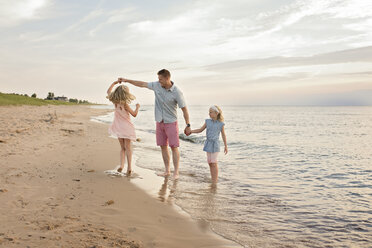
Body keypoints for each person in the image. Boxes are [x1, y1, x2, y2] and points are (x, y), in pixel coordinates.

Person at [118, 69, 191, 180]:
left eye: (160, 79)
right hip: (159, 121)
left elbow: (184, 109)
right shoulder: (156, 85)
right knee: (163, 146)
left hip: (171, 122)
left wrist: (188, 124)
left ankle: (176, 172)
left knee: (174, 147)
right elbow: (142, 84)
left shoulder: (177, 92)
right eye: (158, 79)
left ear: (167, 78)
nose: (158, 81)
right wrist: (126, 80)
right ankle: (167, 171)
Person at [107, 81, 140, 175]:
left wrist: (114, 83)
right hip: (127, 127)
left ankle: (121, 165)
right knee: (128, 148)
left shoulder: (115, 102)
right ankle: (129, 167)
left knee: (122, 148)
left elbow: (108, 91)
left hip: (118, 127)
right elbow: (134, 114)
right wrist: (137, 107)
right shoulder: (125, 104)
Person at [190, 105, 227, 184]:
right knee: (210, 162)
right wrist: (191, 131)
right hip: (208, 143)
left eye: (211, 112)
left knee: (214, 162)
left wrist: (226, 146)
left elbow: (223, 135)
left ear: (216, 113)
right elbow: (200, 130)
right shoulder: (207, 121)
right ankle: (213, 179)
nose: (209, 114)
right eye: (209, 112)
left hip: (215, 144)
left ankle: (215, 181)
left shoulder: (221, 124)